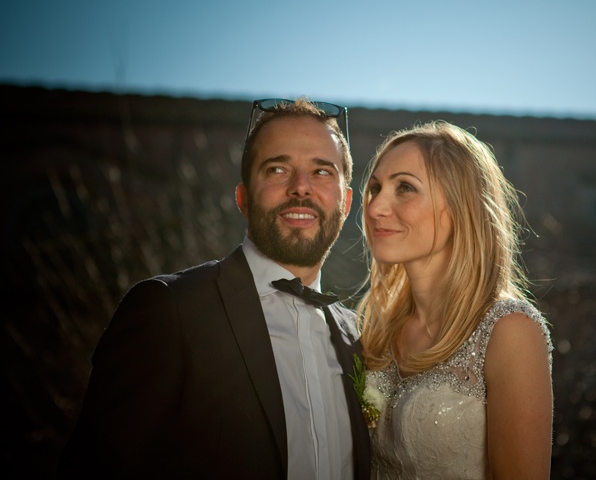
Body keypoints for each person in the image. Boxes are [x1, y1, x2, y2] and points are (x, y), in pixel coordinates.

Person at [57, 98, 371, 479]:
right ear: (242, 198)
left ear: (346, 201)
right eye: (277, 168)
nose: (300, 188)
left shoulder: (360, 339)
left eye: (322, 172)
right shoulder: (168, 310)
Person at [355, 121, 553, 479]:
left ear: (460, 205)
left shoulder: (509, 333)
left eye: (405, 188)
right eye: (375, 188)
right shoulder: (376, 331)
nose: (375, 208)